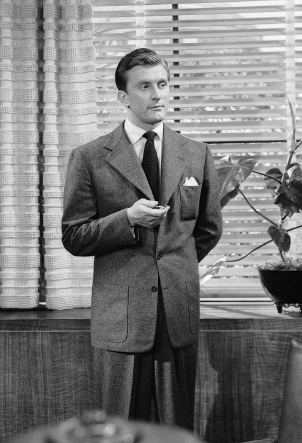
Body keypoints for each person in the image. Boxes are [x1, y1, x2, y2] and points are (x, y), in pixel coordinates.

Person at [61, 48, 223, 430]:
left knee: (176, 428)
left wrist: (174, 267)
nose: (157, 95)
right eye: (145, 86)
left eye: (162, 84)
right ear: (123, 96)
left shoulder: (196, 154)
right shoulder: (89, 157)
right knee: (119, 428)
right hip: (121, 317)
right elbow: (74, 235)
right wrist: (127, 220)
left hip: (177, 312)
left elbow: (208, 229)